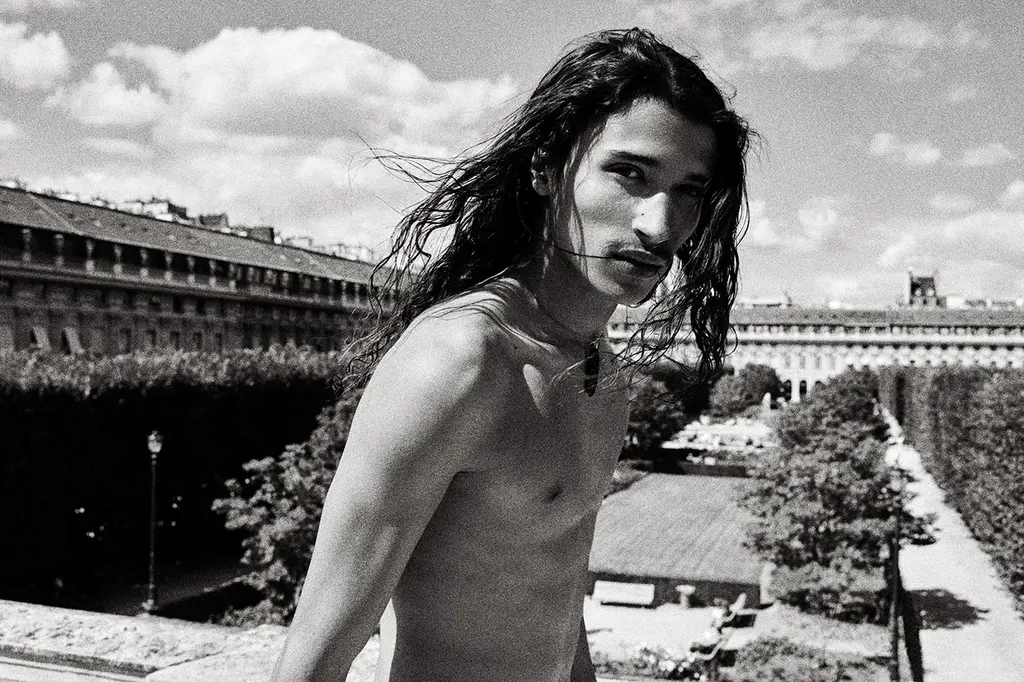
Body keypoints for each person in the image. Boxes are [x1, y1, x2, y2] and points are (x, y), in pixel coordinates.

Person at [272, 27, 754, 682]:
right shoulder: (459, 362)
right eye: (629, 174)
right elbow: (316, 652)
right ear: (546, 168)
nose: (660, 225)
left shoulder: (599, 367)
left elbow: (554, 595)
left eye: (690, 191)